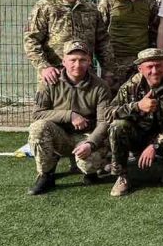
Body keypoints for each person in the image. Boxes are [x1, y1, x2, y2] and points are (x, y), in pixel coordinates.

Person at [27, 40, 111, 195]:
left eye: (82, 60)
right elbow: (37, 114)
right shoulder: (49, 82)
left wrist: (90, 143)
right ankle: (46, 174)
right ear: (63, 61)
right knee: (38, 128)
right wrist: (69, 115)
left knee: (88, 165)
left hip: (86, 136)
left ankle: (90, 172)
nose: (77, 65)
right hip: (60, 136)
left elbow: (104, 122)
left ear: (89, 61)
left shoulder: (100, 86)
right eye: (72, 60)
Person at [107, 48, 163, 197]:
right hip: (137, 137)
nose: (154, 71)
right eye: (149, 67)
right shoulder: (129, 87)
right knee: (117, 126)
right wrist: (137, 106)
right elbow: (108, 114)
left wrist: (154, 145)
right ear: (140, 69)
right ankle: (122, 176)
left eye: (158, 66)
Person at [24, 0, 113, 85]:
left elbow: (103, 42)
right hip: (55, 78)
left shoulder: (91, 8)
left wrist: (108, 71)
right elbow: (31, 40)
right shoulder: (45, 6)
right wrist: (44, 67)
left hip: (86, 79)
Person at [97, 0, 160, 90]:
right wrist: (106, 65)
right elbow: (99, 33)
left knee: (141, 98)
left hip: (140, 63)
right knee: (113, 99)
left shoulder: (150, 2)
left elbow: (155, 32)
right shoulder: (110, 0)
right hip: (115, 64)